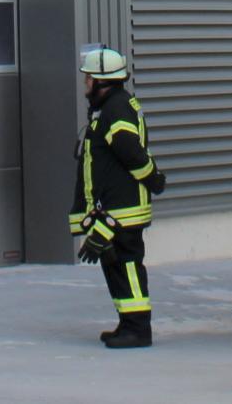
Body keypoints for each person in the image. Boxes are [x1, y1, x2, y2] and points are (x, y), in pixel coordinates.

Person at [69, 45, 166, 349]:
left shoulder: (116, 109)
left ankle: (138, 329)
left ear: (102, 82)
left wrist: (153, 179)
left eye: (88, 78)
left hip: (122, 210)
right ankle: (127, 323)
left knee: (126, 267)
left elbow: (129, 151)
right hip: (113, 209)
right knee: (115, 266)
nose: (85, 83)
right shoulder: (108, 107)